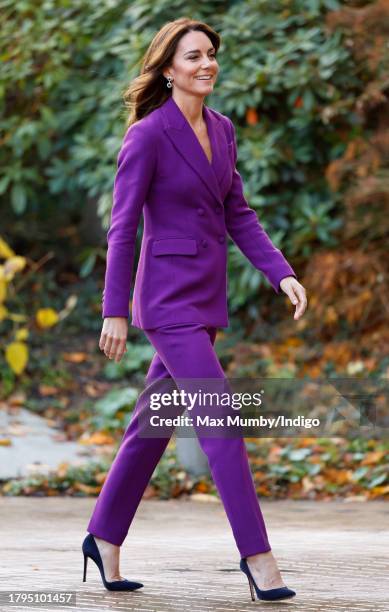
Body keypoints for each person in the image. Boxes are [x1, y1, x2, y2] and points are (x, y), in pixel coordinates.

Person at [82, 17, 307, 602]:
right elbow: (123, 229)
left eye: (210, 54)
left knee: (150, 426)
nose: (205, 64)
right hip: (164, 301)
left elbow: (239, 213)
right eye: (191, 56)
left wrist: (280, 272)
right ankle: (259, 559)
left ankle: (102, 538)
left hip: (205, 297)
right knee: (222, 423)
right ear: (167, 69)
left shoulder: (224, 129)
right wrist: (115, 309)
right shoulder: (148, 135)